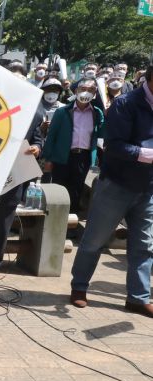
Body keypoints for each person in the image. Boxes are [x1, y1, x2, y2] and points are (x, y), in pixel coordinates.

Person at [69, 64, 153, 318]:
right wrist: (147, 154)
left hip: (148, 188)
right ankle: (79, 286)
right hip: (117, 184)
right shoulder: (125, 104)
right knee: (95, 239)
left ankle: (138, 298)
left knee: (144, 245)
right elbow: (113, 146)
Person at [0, 67, 45, 294]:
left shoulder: (35, 109)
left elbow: (37, 138)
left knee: (1, 227)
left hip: (13, 175)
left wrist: (37, 147)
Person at [42, 78, 104, 215]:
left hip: (83, 157)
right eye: (83, 89)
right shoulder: (62, 112)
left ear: (95, 94)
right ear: (76, 91)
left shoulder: (97, 113)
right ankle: (54, 218)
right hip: (62, 156)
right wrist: (48, 159)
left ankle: (70, 222)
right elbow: (52, 136)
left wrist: (107, 115)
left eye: (91, 90)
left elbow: (103, 132)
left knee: (76, 190)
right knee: (59, 190)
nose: (86, 93)